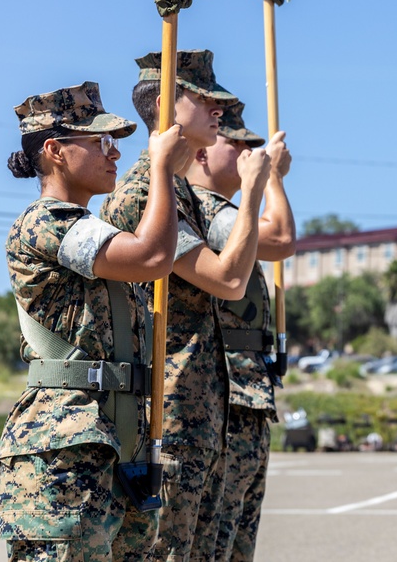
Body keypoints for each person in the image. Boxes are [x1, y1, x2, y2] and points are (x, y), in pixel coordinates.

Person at [0, 81, 191, 561]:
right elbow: (150, 257)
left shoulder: (91, 230)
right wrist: (161, 167)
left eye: (117, 143)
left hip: (114, 441)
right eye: (100, 142)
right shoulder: (44, 222)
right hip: (64, 446)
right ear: (55, 151)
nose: (114, 153)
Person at [99, 50, 271, 562]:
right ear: (168, 105)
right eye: (202, 97)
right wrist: (256, 190)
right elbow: (229, 279)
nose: (218, 108)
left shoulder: (185, 196)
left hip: (205, 417)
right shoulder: (142, 197)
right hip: (168, 418)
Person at [185, 103, 296, 562]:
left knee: (235, 541)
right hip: (219, 393)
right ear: (205, 154)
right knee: (212, 539)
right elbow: (282, 239)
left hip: (244, 390)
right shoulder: (205, 208)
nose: (252, 153)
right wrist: (271, 180)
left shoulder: (230, 209)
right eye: (240, 145)